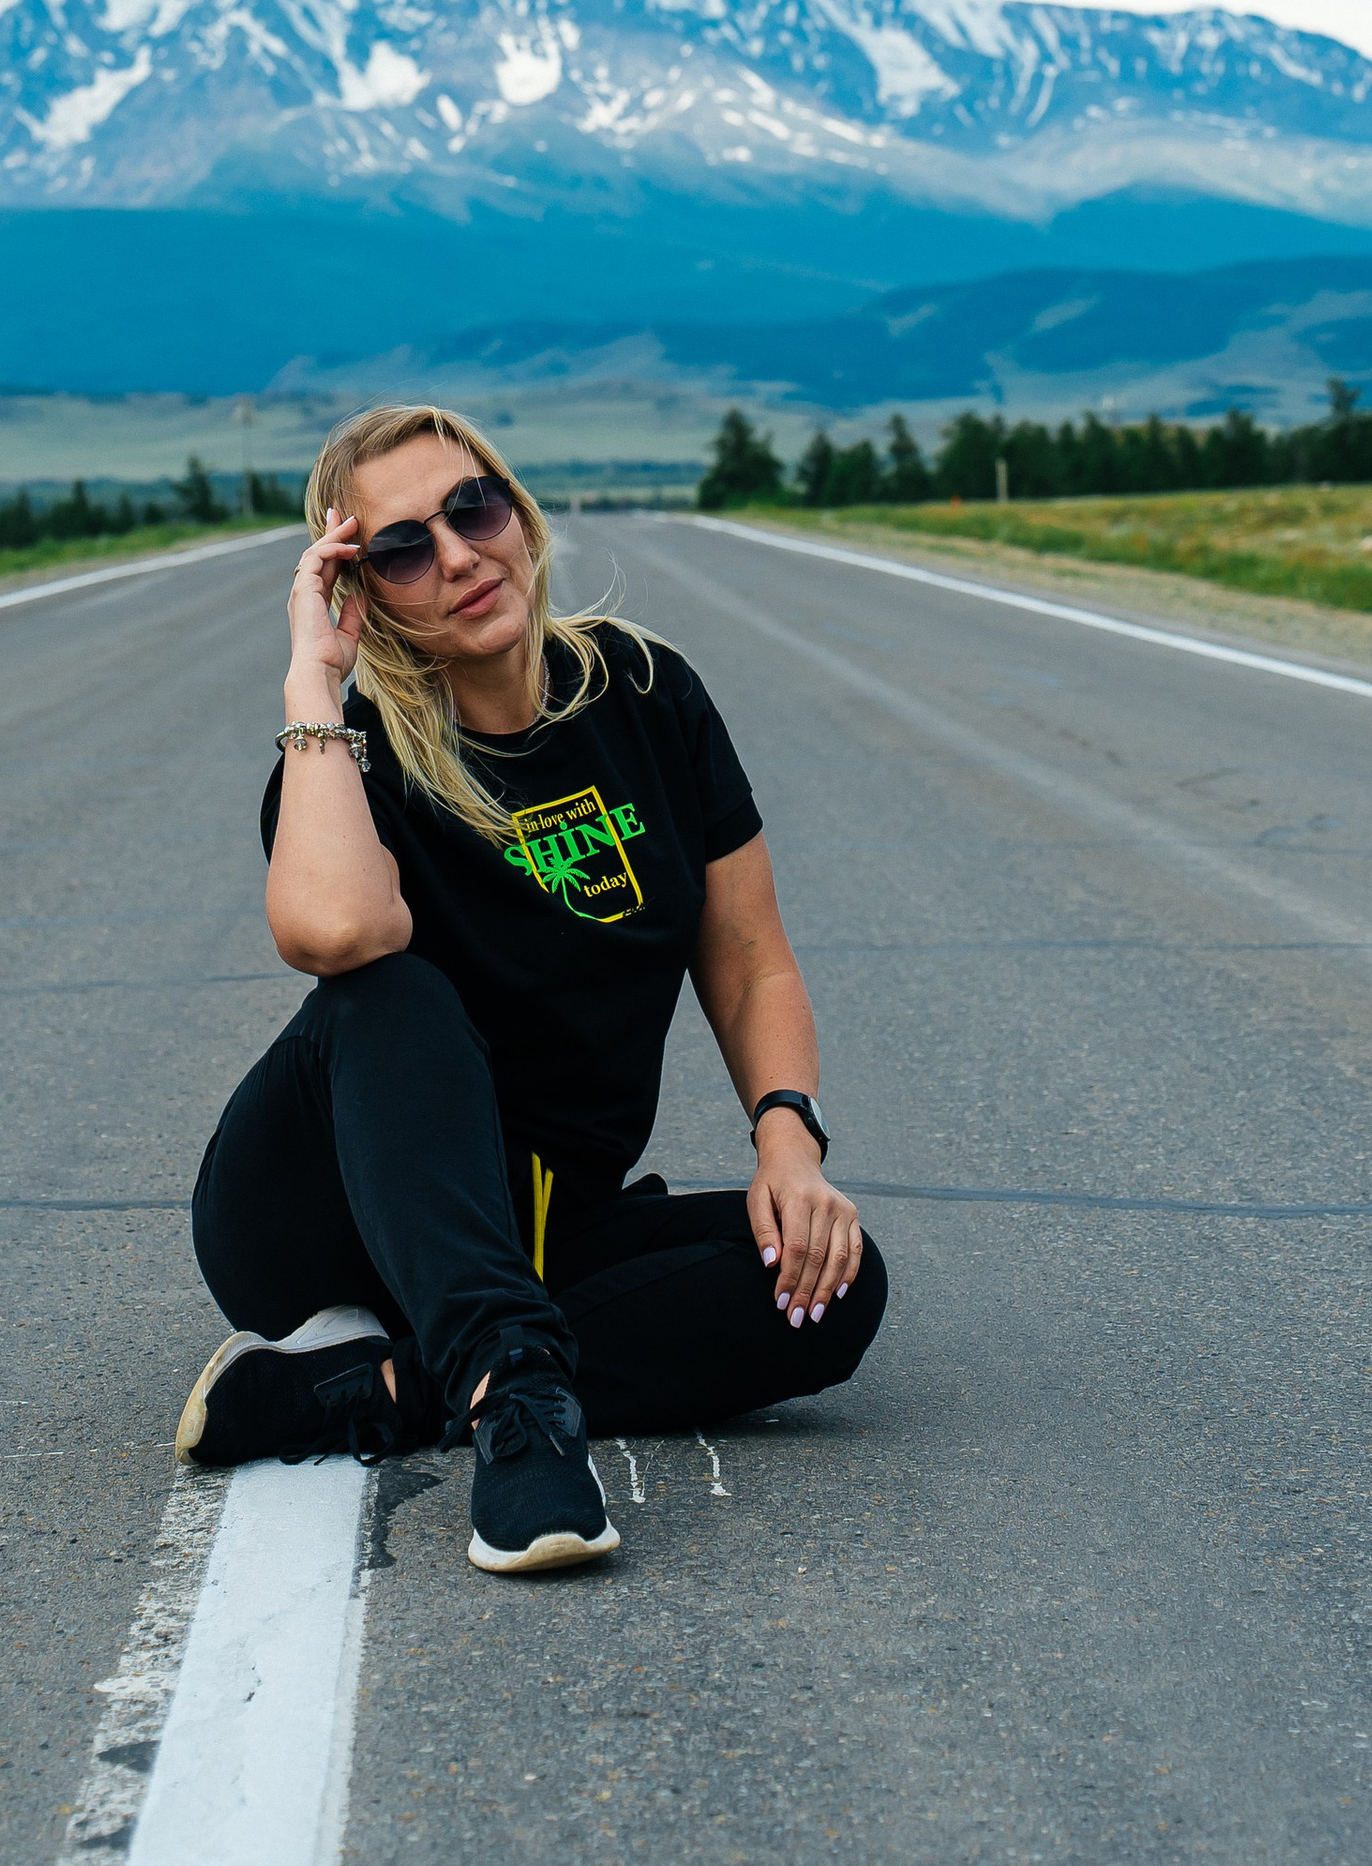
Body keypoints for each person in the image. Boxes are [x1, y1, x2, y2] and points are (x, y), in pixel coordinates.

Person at [174, 403, 890, 1573]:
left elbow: (750, 956)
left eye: (472, 508)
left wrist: (787, 1141)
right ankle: (519, 1410)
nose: (456, 555)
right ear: (364, 589)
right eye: (402, 547)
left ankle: (367, 1389)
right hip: (326, 1220)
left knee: (829, 1288)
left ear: (516, 511)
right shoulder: (358, 755)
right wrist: (314, 680)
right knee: (390, 989)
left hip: (544, 1222)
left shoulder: (648, 695)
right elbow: (341, 930)